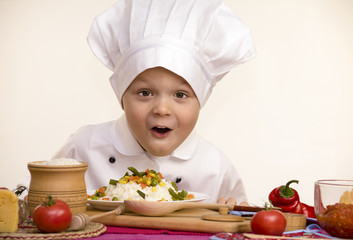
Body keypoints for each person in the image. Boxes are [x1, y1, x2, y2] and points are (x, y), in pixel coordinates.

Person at [53, 0, 256, 204]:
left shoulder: (216, 167)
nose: (161, 109)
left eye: (180, 95)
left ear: (200, 102)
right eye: (145, 92)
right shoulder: (83, 147)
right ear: (122, 97)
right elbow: (31, 199)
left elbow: (241, 218)